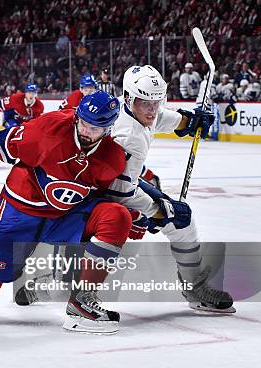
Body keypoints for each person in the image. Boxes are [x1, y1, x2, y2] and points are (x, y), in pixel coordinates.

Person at [0, 91, 143, 334]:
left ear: (108, 128)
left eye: (95, 128)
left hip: (63, 218)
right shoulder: (47, 130)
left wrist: (136, 214)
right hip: (19, 214)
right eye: (83, 123)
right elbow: (0, 143)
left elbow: (110, 193)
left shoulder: (112, 157)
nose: (85, 131)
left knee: (117, 216)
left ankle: (80, 303)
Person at [17, 66, 235, 315]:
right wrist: (156, 212)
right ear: (130, 99)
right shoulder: (129, 136)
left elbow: (160, 117)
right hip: (86, 195)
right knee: (65, 288)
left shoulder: (128, 105)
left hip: (113, 184)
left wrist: (188, 120)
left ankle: (195, 287)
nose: (152, 109)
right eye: (146, 103)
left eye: (156, 101)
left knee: (182, 223)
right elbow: (119, 193)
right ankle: (42, 287)